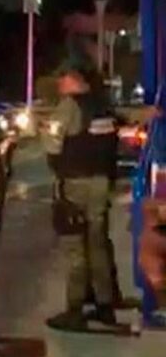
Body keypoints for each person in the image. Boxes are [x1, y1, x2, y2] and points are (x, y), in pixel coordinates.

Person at [42, 63, 118, 331]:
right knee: (97, 243)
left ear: (72, 81)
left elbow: (51, 143)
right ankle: (105, 305)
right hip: (101, 182)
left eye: (62, 81)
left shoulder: (69, 106)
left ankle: (74, 309)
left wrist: (58, 168)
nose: (60, 86)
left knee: (75, 245)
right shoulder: (103, 106)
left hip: (77, 182)